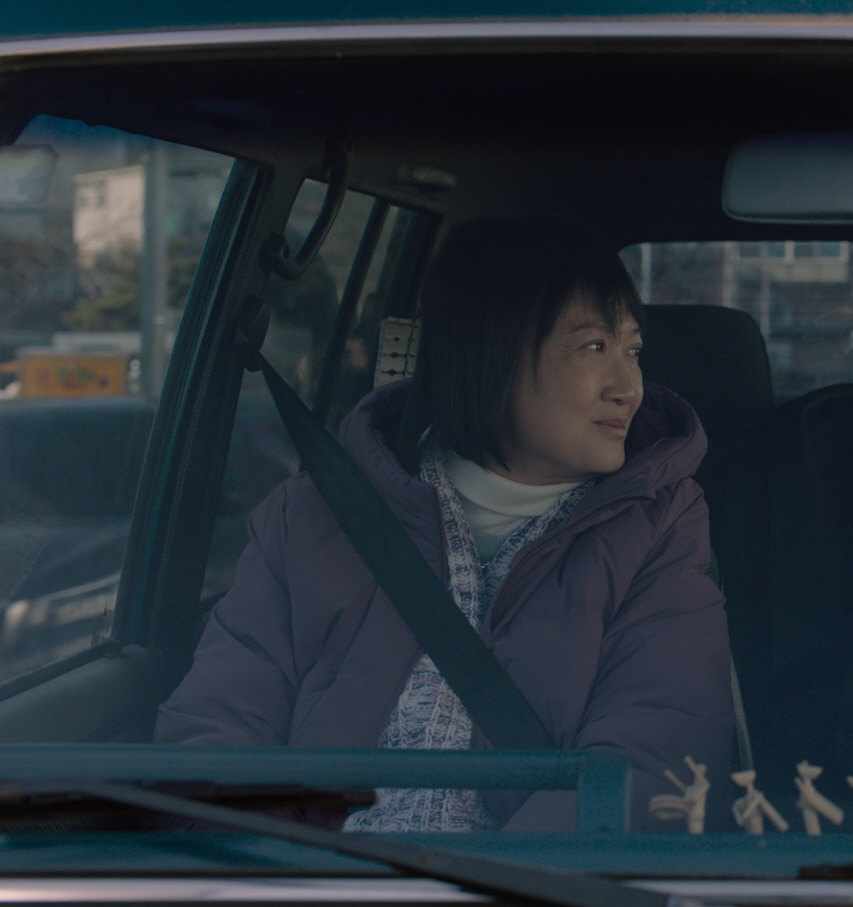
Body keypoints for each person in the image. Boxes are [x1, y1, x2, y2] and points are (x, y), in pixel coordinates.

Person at [156, 218, 733, 832]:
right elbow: (218, 728)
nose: (628, 388)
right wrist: (277, 870)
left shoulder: (657, 530)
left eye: (632, 351)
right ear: (489, 354)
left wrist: (480, 886)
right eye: (594, 347)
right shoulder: (312, 517)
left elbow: (650, 761)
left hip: (527, 888)